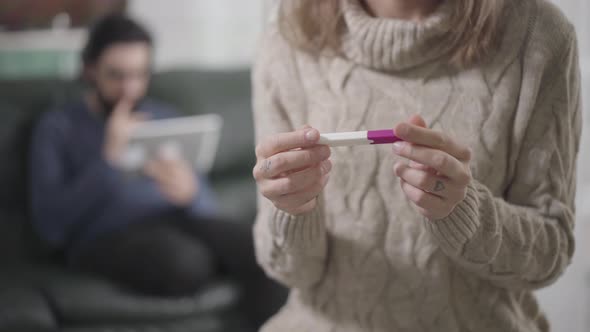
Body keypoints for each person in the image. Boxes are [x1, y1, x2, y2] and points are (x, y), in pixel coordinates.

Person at [251, 0, 582, 331]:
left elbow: (546, 257)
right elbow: (287, 270)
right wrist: (293, 209)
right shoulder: (288, 36)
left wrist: (465, 213)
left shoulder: (537, 35)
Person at [29, 14, 285, 327]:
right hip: (103, 236)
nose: (130, 89)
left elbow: (204, 206)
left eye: (139, 75)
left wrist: (191, 193)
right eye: (116, 76)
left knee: (266, 248)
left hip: (178, 220)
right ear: (89, 70)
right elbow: (51, 227)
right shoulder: (58, 126)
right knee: (184, 263)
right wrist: (108, 160)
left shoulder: (164, 117)